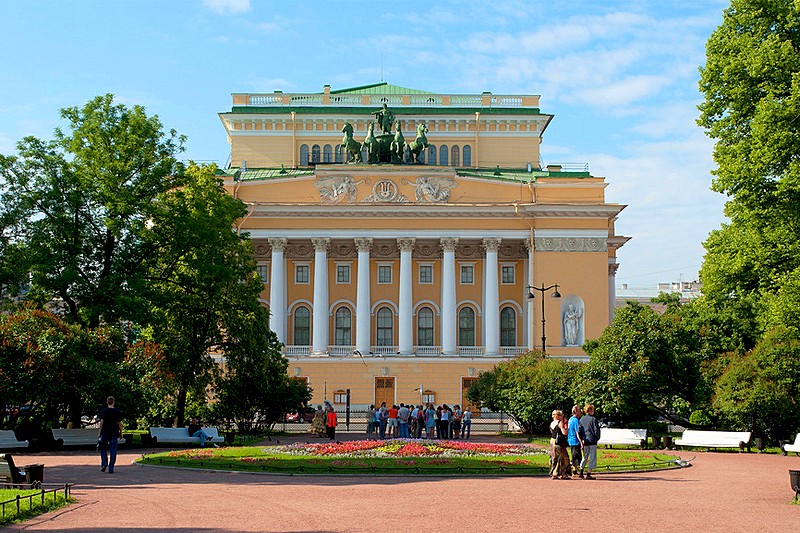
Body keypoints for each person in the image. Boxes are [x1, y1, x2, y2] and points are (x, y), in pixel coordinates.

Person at [98, 396, 122, 474]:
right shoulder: (117, 412)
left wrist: (100, 432)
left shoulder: (103, 411)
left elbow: (101, 422)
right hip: (114, 433)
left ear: (107, 402)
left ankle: (104, 464)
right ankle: (111, 468)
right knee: (113, 450)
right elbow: (120, 423)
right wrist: (121, 432)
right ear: (114, 402)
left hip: (105, 432)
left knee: (103, 449)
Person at [578, 404, 601, 479]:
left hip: (585, 440)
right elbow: (596, 430)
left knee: (585, 456)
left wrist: (582, 439)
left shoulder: (581, 419)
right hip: (592, 440)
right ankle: (588, 473)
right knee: (592, 457)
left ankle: (581, 471)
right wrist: (597, 438)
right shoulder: (593, 419)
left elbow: (580, 431)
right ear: (590, 410)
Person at [551, 410, 571, 479]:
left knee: (555, 458)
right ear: (558, 416)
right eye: (561, 415)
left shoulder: (552, 423)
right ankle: (563, 473)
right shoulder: (560, 422)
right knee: (564, 458)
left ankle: (554, 472)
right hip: (559, 442)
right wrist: (567, 430)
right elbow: (564, 432)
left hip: (552, 441)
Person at [567, 405, 584, 478]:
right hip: (575, 441)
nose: (581, 412)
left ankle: (575, 470)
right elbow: (577, 432)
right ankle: (575, 471)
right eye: (579, 410)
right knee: (577, 456)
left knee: (574, 455)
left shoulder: (570, 419)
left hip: (570, 440)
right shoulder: (576, 420)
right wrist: (581, 442)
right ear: (576, 411)